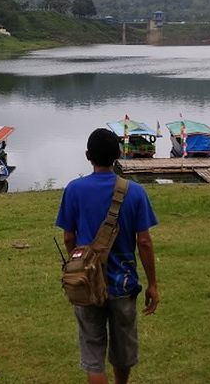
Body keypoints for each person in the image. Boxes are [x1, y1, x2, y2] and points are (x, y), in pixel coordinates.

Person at [56, 128, 159, 384]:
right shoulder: (135, 192)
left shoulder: (74, 189)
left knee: (93, 351)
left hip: (86, 283)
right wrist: (153, 284)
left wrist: (80, 262)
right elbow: (144, 242)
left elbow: (68, 237)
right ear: (118, 155)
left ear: (88, 155)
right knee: (123, 350)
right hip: (123, 283)